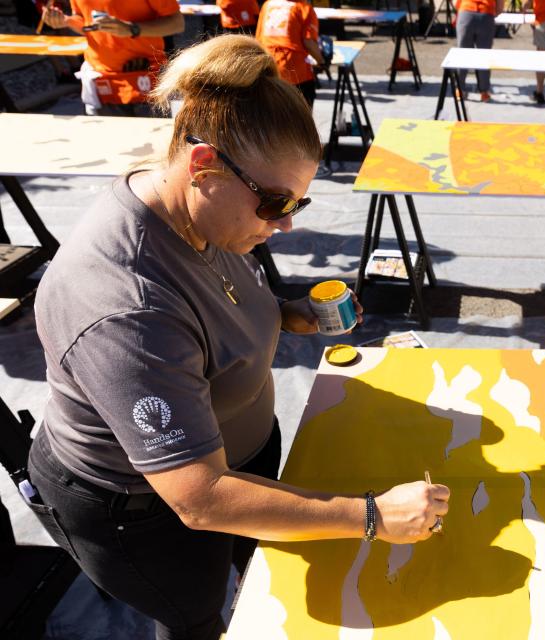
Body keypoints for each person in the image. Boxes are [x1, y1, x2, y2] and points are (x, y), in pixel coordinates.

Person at [26, 35, 450, 640]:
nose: (285, 224)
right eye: (276, 202)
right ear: (203, 167)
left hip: (233, 464)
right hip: (144, 515)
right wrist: (372, 515)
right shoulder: (123, 303)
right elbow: (199, 499)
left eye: (299, 201)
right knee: (198, 617)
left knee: (256, 577)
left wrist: (287, 313)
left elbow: (211, 313)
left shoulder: (198, 213)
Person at [41, 0, 184, 116]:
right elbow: (87, 22)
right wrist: (65, 21)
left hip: (145, 78)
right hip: (101, 79)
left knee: (156, 146)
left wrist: (132, 29)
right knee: (110, 146)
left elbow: (177, 23)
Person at [255, 0, 324, 108]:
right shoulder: (304, 8)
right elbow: (309, 42)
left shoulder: (267, 5)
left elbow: (258, 39)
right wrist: (321, 61)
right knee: (302, 118)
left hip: (269, 68)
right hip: (296, 72)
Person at [454, 0, 503, 103]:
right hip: (486, 13)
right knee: (484, 56)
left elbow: (455, 3)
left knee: (463, 55)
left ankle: (460, 89)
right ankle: (484, 92)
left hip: (466, 10)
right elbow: (500, 7)